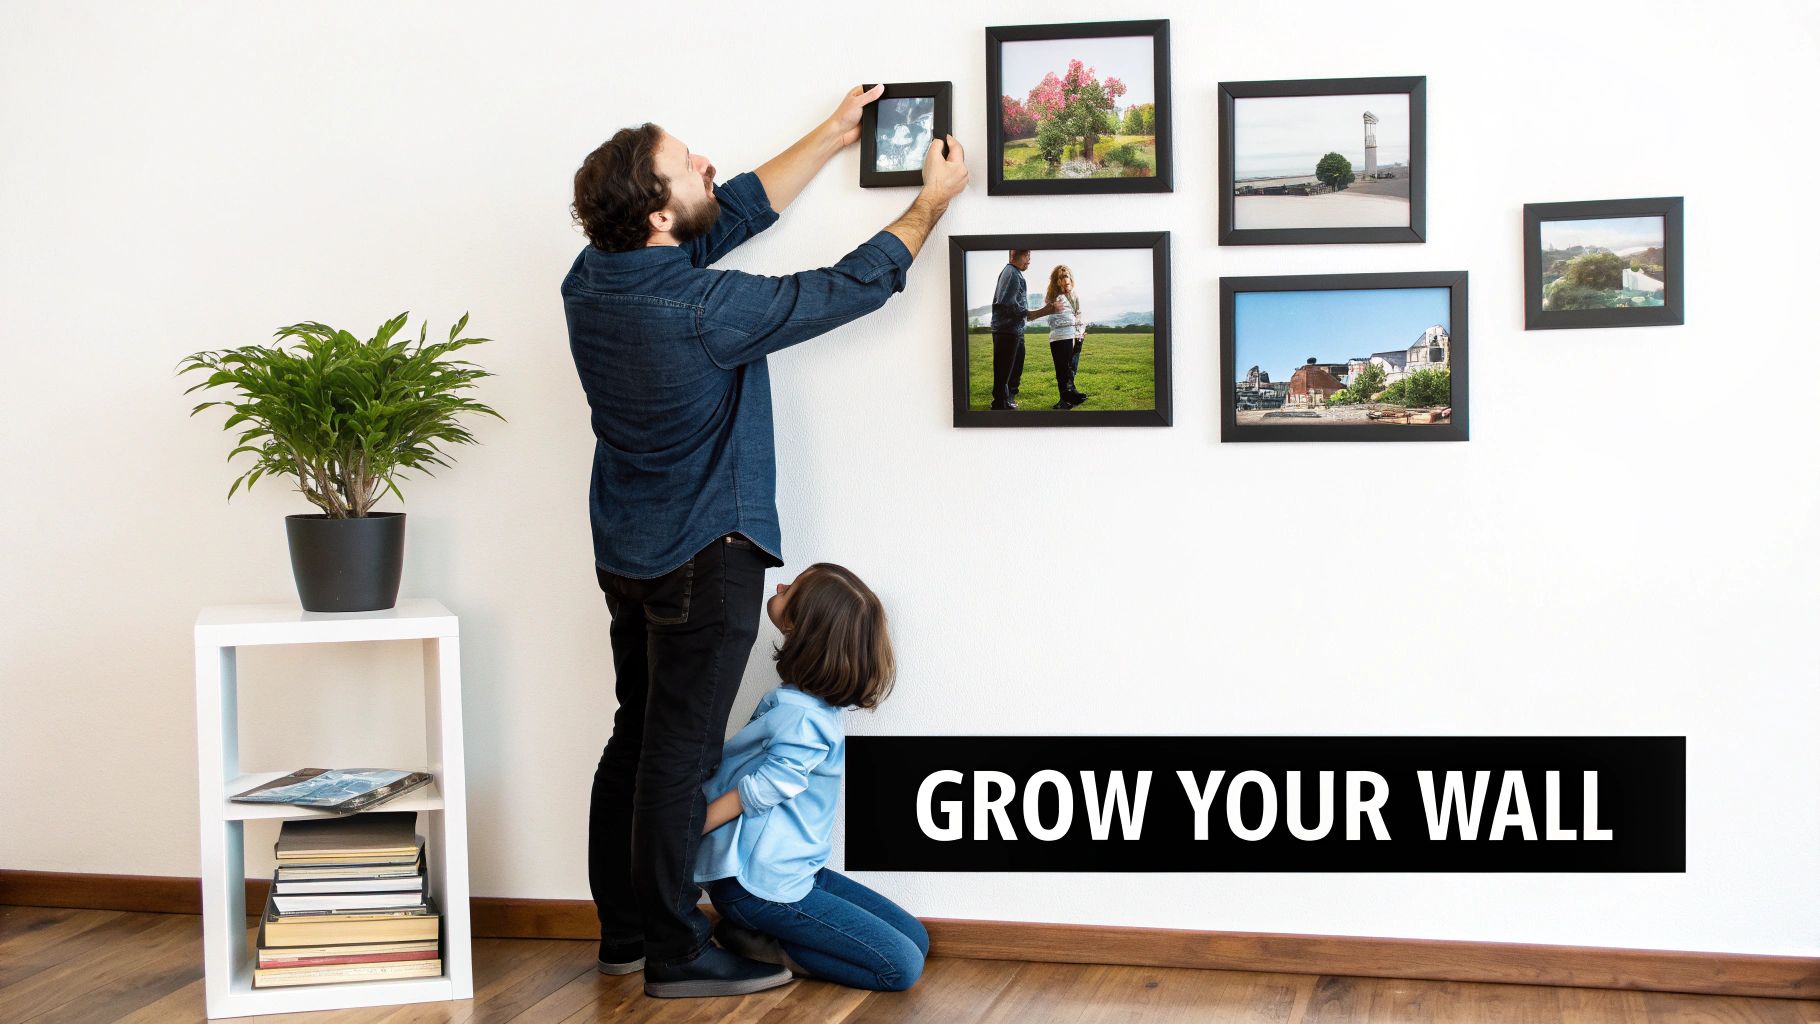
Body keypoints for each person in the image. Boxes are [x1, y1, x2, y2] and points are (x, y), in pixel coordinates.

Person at [562, 86, 968, 999]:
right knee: (678, 753)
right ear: (660, 212)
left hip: (627, 552)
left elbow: (729, 208)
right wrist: (929, 205)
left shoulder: (594, 277)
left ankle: (624, 933)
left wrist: (831, 136)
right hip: (706, 558)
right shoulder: (706, 309)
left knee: (637, 737)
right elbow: (849, 286)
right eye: (688, 162)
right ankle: (674, 953)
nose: (709, 161)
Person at [695, 563, 928, 992]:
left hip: (792, 873)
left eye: (792, 589)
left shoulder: (809, 710)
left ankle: (752, 936)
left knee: (917, 939)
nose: (780, 585)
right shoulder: (800, 713)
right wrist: (694, 828)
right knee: (901, 967)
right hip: (760, 886)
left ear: (806, 630)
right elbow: (764, 786)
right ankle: (762, 946)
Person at [988, 251, 1059, 410]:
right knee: (1004, 370)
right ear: (1015, 255)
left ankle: (1007, 399)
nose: (1029, 260)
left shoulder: (1014, 273)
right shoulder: (1012, 273)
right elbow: (1008, 304)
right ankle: (1000, 403)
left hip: (1014, 330)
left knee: (1014, 368)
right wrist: (1043, 311)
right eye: (1027, 256)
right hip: (1007, 330)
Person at [1042, 264, 1089, 410]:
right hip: (1055, 337)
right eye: (1061, 277)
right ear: (1056, 280)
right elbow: (1049, 319)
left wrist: (1080, 334)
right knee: (1061, 370)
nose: (1064, 280)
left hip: (1069, 336)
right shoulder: (1051, 297)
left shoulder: (1073, 296)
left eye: (1066, 276)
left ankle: (1067, 400)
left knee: (1067, 369)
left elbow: (1078, 315)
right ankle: (1070, 396)